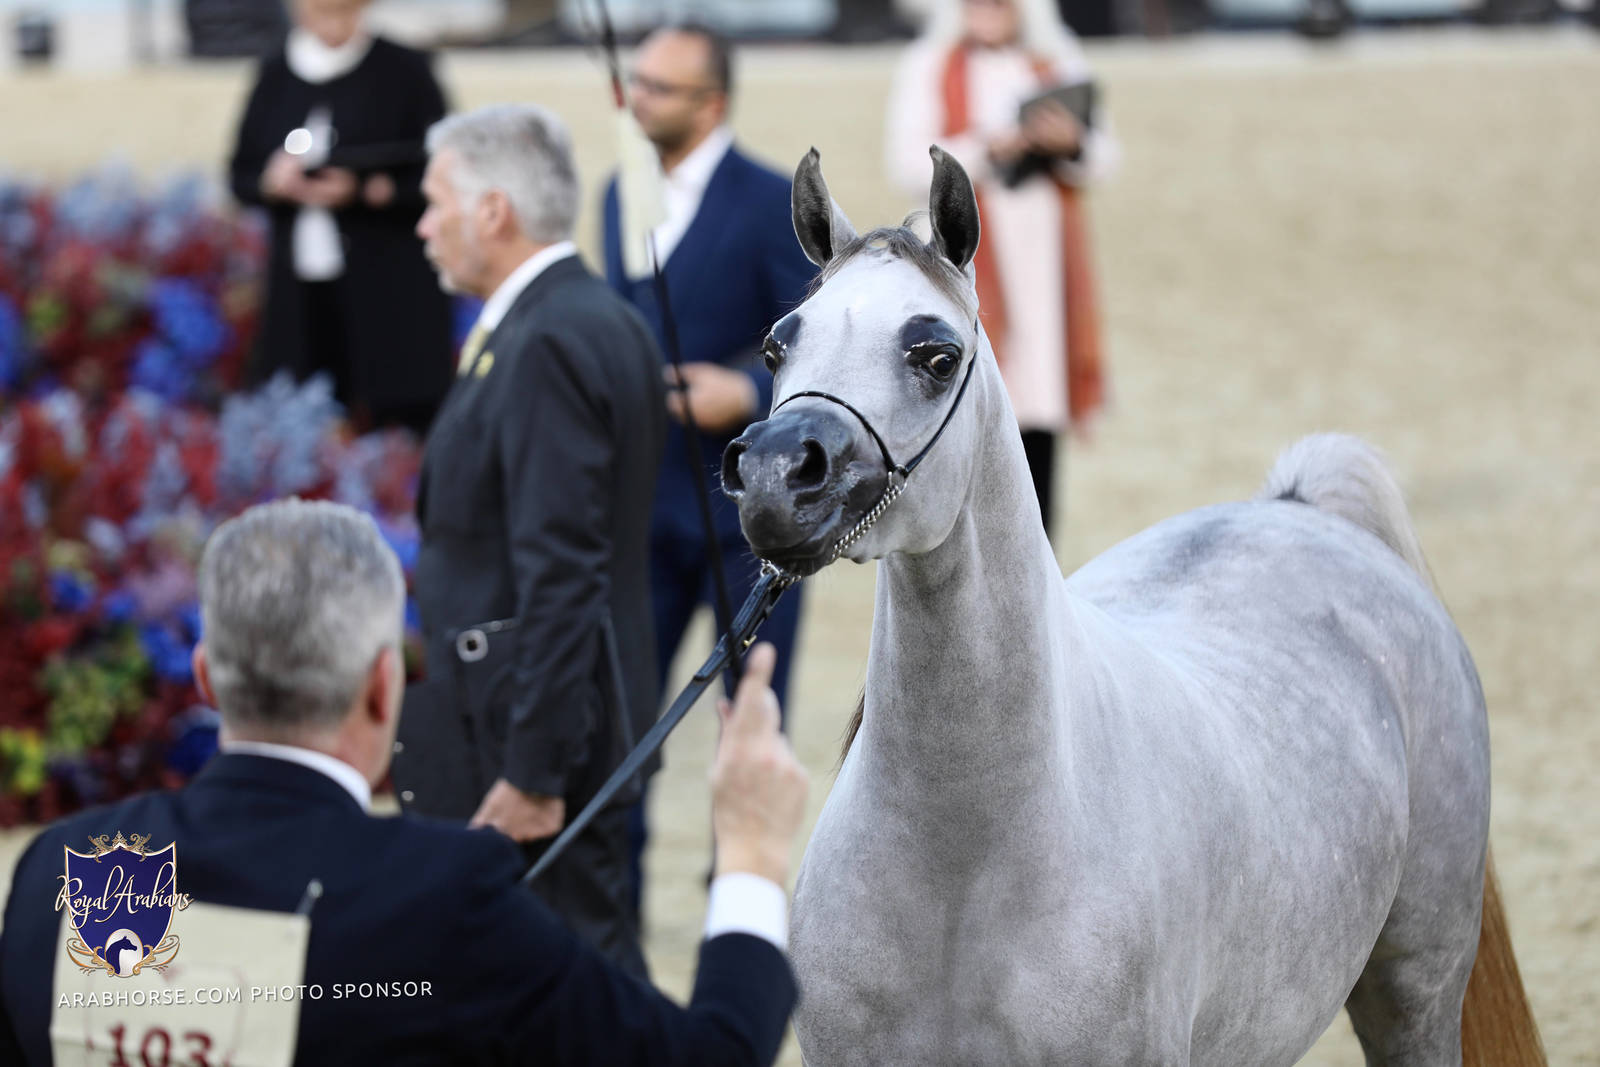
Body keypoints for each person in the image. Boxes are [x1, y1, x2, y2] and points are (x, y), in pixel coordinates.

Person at [0, 500, 809, 1066]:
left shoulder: (59, 874)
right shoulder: (443, 901)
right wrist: (749, 853)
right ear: (385, 687)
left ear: (206, 679)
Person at [395, 104, 665, 978]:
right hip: (535, 716)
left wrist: (535, 770)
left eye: (436, 203)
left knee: (571, 979)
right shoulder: (573, 317)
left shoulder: (549, 336)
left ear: (493, 210)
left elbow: (564, 571)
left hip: (538, 740)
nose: (422, 224)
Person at [601, 24, 817, 919]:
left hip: (749, 523)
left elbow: (814, 351)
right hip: (643, 511)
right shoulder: (620, 191)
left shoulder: (772, 201)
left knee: (748, 730)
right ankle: (613, 925)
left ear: (711, 102)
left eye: (659, 87)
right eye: (635, 81)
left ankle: (740, 912)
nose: (635, 99)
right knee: (625, 735)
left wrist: (744, 388)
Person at [886, 0, 1119, 536]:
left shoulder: (1056, 58)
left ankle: (1035, 553)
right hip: (966, 259)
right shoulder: (930, 62)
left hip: (1043, 264)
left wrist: (1069, 141)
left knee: (1037, 408)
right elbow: (906, 163)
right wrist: (992, 146)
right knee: (969, 415)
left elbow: (1104, 156)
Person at [228, 0, 454, 435]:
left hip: (387, 288)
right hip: (301, 286)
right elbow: (241, 173)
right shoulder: (274, 73)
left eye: (343, 13)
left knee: (391, 420)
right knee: (309, 413)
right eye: (320, 12)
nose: (332, 24)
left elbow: (441, 166)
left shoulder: (405, 72)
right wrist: (274, 183)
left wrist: (369, 189)